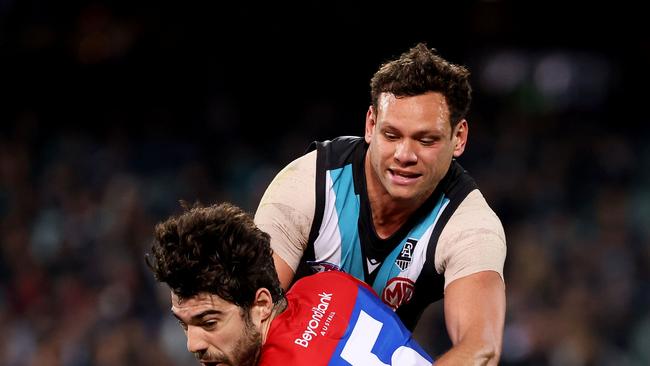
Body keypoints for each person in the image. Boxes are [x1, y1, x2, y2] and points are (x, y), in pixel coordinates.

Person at [254, 42, 506, 364]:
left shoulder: (469, 225)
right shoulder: (308, 185)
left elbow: (481, 350)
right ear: (371, 125)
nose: (405, 156)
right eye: (392, 135)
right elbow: (250, 315)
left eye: (426, 140)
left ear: (458, 138)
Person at [145, 202, 434, 365]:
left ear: (261, 305)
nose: (193, 345)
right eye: (184, 324)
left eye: (209, 323)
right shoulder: (332, 284)